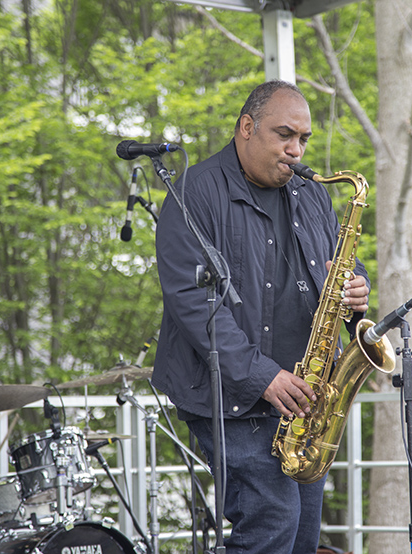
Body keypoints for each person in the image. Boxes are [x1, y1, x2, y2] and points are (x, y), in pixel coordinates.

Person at [151, 80, 371, 554]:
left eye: (304, 140)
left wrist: (356, 288)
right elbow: (192, 302)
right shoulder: (193, 194)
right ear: (247, 128)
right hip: (232, 397)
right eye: (285, 135)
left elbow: (343, 259)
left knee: (304, 533)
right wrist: (262, 376)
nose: (296, 150)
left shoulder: (310, 192)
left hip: (304, 397)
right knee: (273, 519)